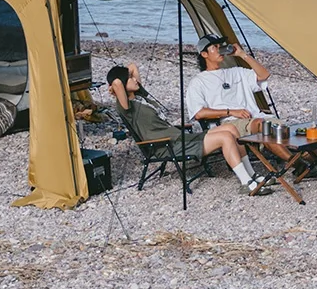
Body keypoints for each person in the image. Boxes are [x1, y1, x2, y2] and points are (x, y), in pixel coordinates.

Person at [107, 63, 272, 195]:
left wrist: (125, 76)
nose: (135, 79)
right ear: (121, 85)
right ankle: (246, 183)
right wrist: (115, 84)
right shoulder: (126, 108)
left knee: (230, 128)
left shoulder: (140, 96)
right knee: (226, 138)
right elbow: (116, 82)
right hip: (168, 146)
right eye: (129, 79)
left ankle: (251, 174)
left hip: (179, 138)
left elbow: (133, 66)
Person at [186, 34, 290, 163]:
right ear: (204, 54)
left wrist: (242, 54)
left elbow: (264, 75)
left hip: (256, 119)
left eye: (221, 46)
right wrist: (230, 111)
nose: (220, 49)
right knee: (264, 126)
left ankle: (316, 162)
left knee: (290, 131)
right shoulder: (198, 82)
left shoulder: (236, 72)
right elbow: (199, 113)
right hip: (230, 123)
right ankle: (297, 163)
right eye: (215, 47)